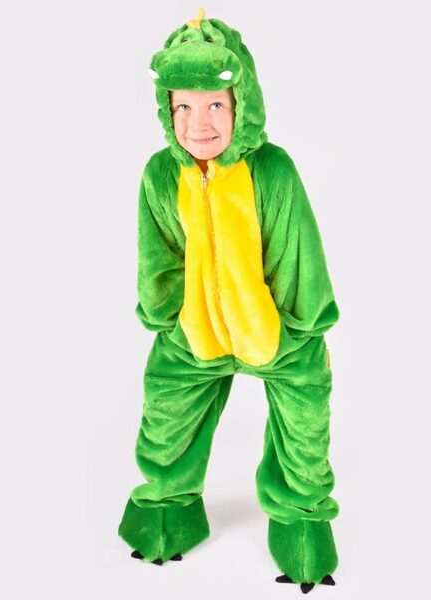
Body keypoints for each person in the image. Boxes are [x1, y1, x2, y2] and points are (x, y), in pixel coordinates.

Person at [118, 8, 341, 593]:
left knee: (305, 426)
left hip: (276, 334)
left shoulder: (273, 170)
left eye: (215, 104)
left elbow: (298, 253)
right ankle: (165, 510)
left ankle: (301, 523)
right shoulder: (159, 176)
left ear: (242, 102)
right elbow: (158, 258)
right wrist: (167, 318)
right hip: (195, 334)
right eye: (183, 108)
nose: (199, 124)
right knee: (166, 417)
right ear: (167, 110)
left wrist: (304, 329)